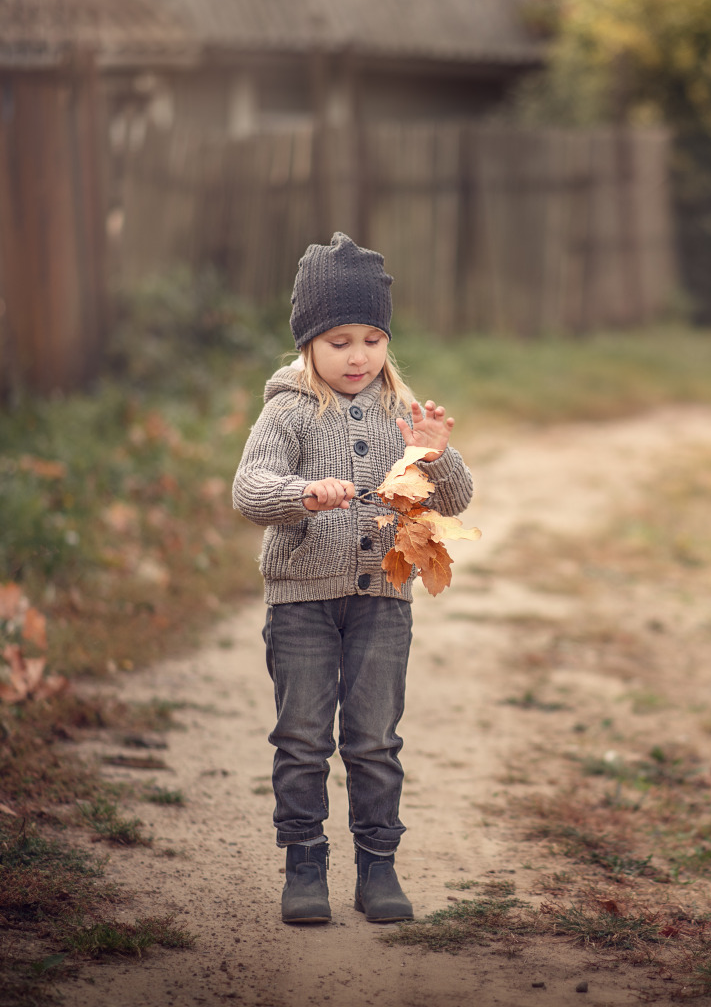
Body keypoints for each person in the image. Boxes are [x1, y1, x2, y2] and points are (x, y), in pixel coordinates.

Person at [232, 233, 474, 925]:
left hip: (382, 602)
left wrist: (438, 456)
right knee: (303, 738)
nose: (358, 355)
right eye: (339, 340)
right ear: (308, 341)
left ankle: (378, 867)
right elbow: (249, 489)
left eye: (371, 338)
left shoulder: (405, 412)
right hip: (301, 603)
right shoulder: (288, 410)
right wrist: (302, 496)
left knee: (373, 740)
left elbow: (452, 500)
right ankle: (303, 864)